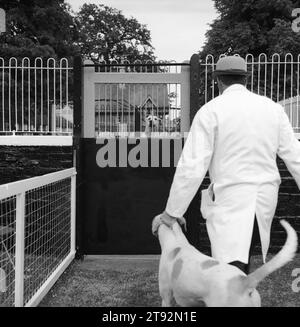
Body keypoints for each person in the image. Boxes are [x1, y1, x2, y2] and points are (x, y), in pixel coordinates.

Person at [152, 55, 300, 274]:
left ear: (219, 80)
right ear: (245, 79)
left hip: (231, 198)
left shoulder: (211, 111)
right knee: (241, 259)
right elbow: (295, 157)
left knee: (228, 266)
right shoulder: (273, 109)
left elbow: (192, 166)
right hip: (265, 198)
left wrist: (172, 212)